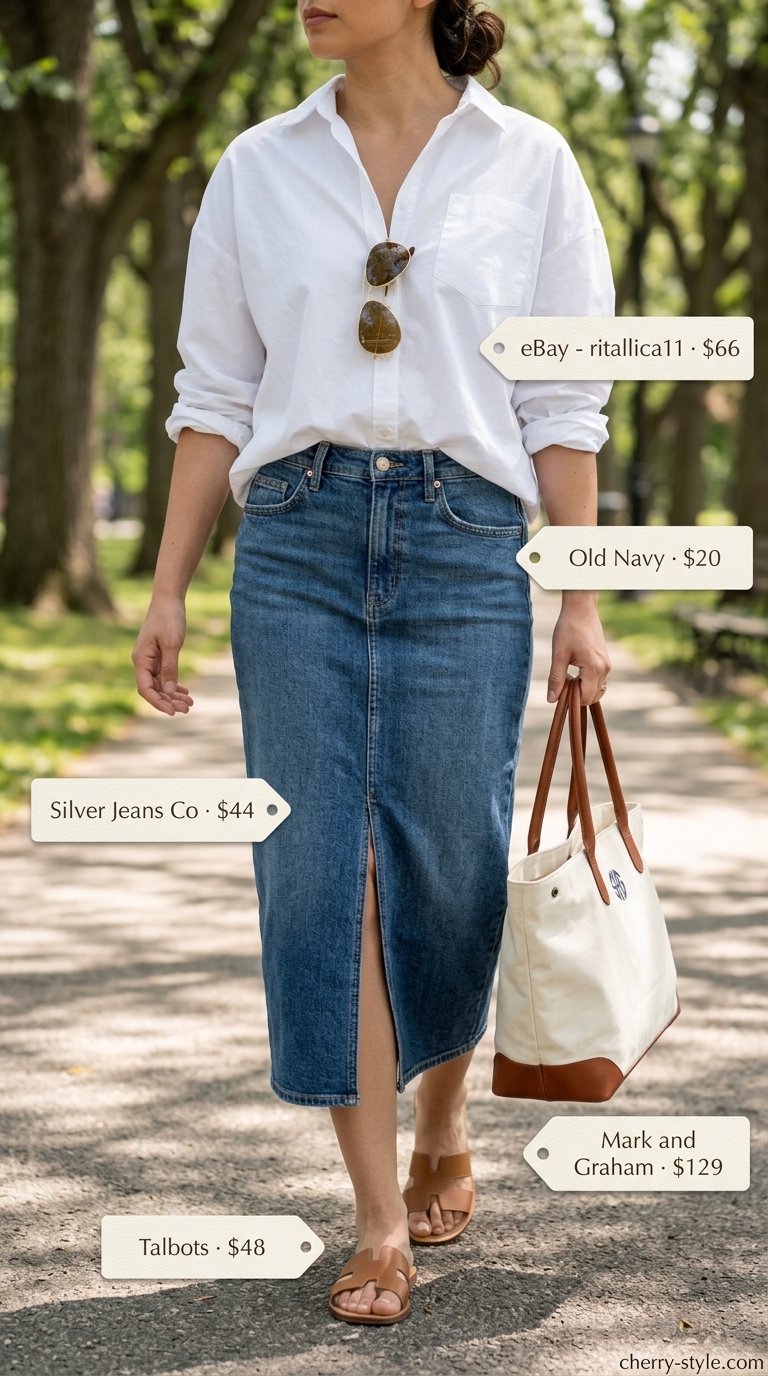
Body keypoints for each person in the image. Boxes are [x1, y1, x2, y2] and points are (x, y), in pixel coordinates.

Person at [132, 0, 613, 1327]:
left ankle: (443, 1112)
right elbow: (213, 391)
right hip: (297, 540)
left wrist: (579, 602)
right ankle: (377, 1219)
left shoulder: (532, 164)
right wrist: (168, 585)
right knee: (322, 868)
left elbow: (563, 398)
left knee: (448, 863)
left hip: (467, 542)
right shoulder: (257, 165)